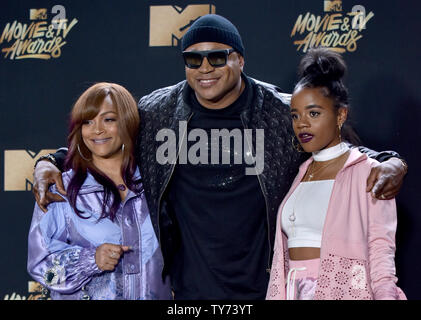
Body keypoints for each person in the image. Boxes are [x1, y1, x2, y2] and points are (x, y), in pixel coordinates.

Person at [32, 15, 408, 300]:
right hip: (186, 294)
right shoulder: (159, 111)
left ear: (240, 60)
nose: (205, 68)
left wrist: (389, 159)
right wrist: (50, 160)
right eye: (193, 60)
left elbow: (331, 145)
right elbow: (105, 138)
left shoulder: (278, 112)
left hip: (266, 287)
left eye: (216, 57)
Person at [266, 48, 406, 300]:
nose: (302, 124)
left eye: (314, 113)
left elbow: (381, 252)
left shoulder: (368, 171)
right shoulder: (300, 173)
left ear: (340, 115)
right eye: (295, 115)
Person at [27, 83, 172, 300]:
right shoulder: (61, 189)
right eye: (88, 121)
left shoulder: (159, 185)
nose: (97, 129)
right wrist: (90, 260)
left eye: (109, 119)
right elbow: (41, 266)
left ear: (127, 122)